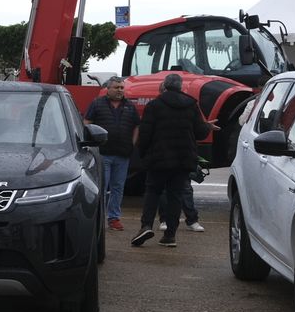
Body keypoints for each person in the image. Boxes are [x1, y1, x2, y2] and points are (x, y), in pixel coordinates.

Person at [131, 72, 210, 248]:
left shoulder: (155, 105)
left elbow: (145, 133)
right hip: (183, 160)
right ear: (181, 86)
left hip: (159, 158)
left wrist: (142, 154)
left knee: (153, 192)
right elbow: (201, 132)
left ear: (164, 86)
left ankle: (146, 226)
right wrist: (206, 126)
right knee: (176, 195)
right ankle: (170, 236)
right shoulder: (192, 105)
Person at [83, 77, 139, 231]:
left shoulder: (130, 106)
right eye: (116, 87)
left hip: (123, 154)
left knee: (118, 187)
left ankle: (114, 218)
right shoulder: (97, 104)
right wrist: (90, 144)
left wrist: (132, 144)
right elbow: (87, 123)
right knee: (101, 187)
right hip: (103, 154)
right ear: (108, 88)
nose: (120, 90)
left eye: (122, 87)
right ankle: (98, 217)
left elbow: (136, 126)